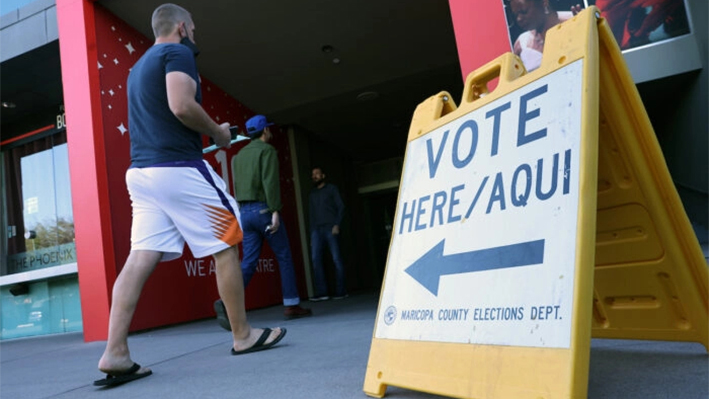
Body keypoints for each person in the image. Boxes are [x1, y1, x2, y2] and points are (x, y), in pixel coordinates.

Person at [94, 4, 286, 387]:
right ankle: (242, 336)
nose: (195, 35)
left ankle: (115, 353)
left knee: (139, 258)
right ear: (181, 27)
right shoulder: (176, 52)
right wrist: (218, 132)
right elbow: (181, 105)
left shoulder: (139, 68)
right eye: (193, 28)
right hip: (178, 170)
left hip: (142, 175)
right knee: (229, 240)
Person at [214, 115, 312, 328]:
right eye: (268, 129)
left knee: (248, 261)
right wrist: (275, 210)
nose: (270, 132)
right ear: (265, 131)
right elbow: (270, 183)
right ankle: (292, 305)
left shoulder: (239, 156)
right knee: (284, 256)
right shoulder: (267, 151)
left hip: (245, 213)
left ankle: (227, 302)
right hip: (264, 210)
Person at [308, 167, 347, 301]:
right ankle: (322, 292)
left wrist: (337, 224)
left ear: (323, 175)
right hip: (316, 230)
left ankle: (341, 291)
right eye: (313, 174)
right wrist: (312, 234)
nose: (315, 176)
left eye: (317, 174)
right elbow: (311, 215)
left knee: (336, 259)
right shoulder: (312, 194)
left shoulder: (332, 189)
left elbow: (341, 206)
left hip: (331, 227)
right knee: (315, 260)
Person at [509, 0, 575, 71]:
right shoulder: (521, 44)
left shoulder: (574, 20)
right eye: (515, 15)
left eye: (524, 11)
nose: (519, 19)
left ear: (544, 2)